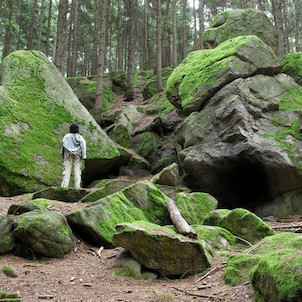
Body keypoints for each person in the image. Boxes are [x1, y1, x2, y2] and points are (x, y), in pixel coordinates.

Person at [60, 123, 86, 189]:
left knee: (67, 170)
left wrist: (70, 152)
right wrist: (83, 155)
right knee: (77, 170)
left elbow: (64, 145)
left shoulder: (66, 136)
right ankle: (77, 186)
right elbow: (83, 146)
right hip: (78, 155)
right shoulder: (80, 137)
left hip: (68, 155)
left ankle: (64, 186)